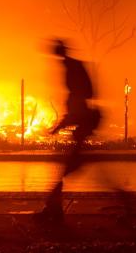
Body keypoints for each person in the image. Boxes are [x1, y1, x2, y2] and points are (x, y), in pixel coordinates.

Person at [34, 39, 102, 225]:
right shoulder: (73, 68)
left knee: (64, 172)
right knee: (67, 172)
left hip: (81, 133)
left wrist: (58, 127)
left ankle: (53, 212)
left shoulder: (72, 71)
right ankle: (53, 210)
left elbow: (76, 107)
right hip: (82, 131)